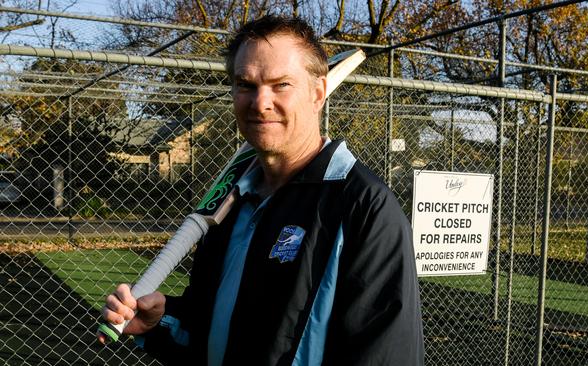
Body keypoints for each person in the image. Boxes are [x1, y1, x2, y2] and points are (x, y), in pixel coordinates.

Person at [101, 15, 424, 365]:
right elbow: (208, 332)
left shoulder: (363, 206)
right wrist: (159, 323)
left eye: (280, 84)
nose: (260, 103)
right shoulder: (229, 203)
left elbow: (385, 353)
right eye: (246, 85)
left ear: (318, 93)